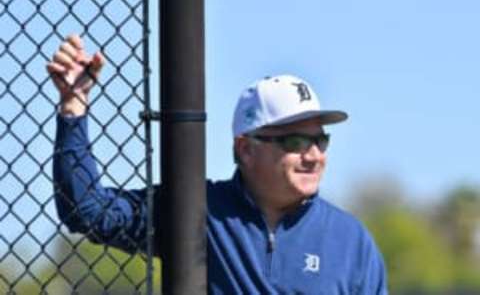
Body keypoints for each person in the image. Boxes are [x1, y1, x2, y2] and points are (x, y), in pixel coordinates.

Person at [48, 34, 388, 294]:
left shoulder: (351, 241)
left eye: (320, 140)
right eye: (295, 142)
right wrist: (73, 107)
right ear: (246, 149)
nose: (314, 155)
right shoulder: (198, 210)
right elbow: (88, 212)